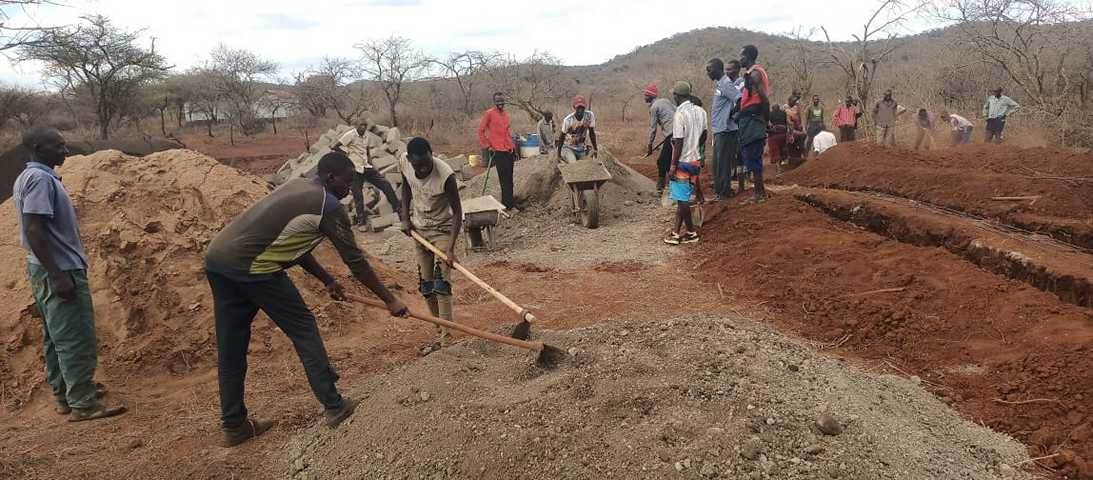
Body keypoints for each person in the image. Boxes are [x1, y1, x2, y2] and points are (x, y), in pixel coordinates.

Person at [204, 151, 409, 447]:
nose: (350, 188)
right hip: (254, 268)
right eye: (347, 182)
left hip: (218, 261)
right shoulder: (330, 206)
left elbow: (292, 243)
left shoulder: (297, 186)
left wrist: (327, 280)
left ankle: (234, 426)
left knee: (231, 349)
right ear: (330, 177)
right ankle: (334, 406)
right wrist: (390, 300)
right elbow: (355, 261)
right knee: (304, 330)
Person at [14, 127, 127, 423]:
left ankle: (67, 393)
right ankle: (83, 403)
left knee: (56, 336)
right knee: (75, 337)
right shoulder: (39, 179)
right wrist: (58, 275)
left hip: (47, 267)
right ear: (38, 148)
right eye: (58, 146)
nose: (65, 151)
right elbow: (34, 229)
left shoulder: (31, 176)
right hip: (59, 268)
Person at [398, 137, 463, 351]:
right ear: (410, 160)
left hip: (442, 230)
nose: (425, 168)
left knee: (441, 285)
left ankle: (447, 339)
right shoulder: (404, 162)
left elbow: (457, 212)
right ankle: (439, 329)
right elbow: (406, 188)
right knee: (426, 287)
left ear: (431, 154)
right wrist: (405, 217)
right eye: (419, 165)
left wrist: (450, 249)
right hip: (419, 230)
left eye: (427, 162)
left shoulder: (445, 175)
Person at [330, 121, 401, 230]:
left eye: (364, 126)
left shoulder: (367, 136)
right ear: (356, 126)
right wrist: (346, 155)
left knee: (385, 184)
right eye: (361, 125)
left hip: (367, 167)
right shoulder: (350, 135)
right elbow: (335, 147)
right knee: (358, 195)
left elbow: (367, 150)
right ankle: (361, 222)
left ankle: (398, 209)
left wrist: (371, 163)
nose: (363, 128)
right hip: (354, 169)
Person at [664, 81, 706, 245]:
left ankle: (691, 233)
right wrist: (694, 146)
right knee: (682, 198)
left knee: (682, 201)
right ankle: (675, 233)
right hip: (695, 161)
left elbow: (679, 142)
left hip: (682, 162)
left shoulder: (679, 114)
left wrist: (673, 166)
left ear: (676, 96)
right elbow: (704, 136)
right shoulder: (701, 111)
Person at [737, 44, 770, 204]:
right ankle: (760, 192)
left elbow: (764, 99)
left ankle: (759, 194)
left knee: (753, 156)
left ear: (749, 56)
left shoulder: (755, 73)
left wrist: (765, 120)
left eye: (742, 56)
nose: (740, 59)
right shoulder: (751, 74)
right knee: (751, 155)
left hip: (754, 120)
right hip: (749, 119)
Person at [707, 57, 742, 200]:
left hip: (726, 130)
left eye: (709, 70)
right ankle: (720, 192)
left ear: (717, 69)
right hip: (719, 130)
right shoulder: (721, 84)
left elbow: (740, 99)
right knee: (718, 163)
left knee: (722, 163)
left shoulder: (726, 83)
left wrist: (732, 115)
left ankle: (723, 193)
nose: (708, 73)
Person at [477, 92, 517, 210]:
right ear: (494, 102)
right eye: (498, 101)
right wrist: (487, 146)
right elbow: (481, 130)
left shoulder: (505, 114)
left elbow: (506, 132)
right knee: (504, 179)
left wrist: (513, 146)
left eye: (502, 101)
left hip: (509, 149)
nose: (500, 104)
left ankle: (510, 203)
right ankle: (507, 205)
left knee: (509, 178)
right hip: (498, 150)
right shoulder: (489, 113)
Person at [644, 83, 675, 194]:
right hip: (678, 132)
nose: (644, 97)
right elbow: (676, 111)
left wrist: (649, 146)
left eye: (646, 95)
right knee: (668, 161)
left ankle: (661, 186)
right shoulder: (665, 101)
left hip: (672, 136)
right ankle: (671, 186)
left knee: (661, 161)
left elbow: (653, 129)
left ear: (650, 96)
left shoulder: (654, 107)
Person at [556, 95, 598, 163]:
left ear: (585, 107)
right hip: (568, 147)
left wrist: (595, 149)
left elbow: (592, 133)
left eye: (582, 107)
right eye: (578, 107)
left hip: (581, 149)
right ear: (574, 107)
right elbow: (562, 137)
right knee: (573, 163)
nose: (580, 110)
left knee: (586, 165)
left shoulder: (589, 115)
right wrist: (558, 155)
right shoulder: (568, 120)